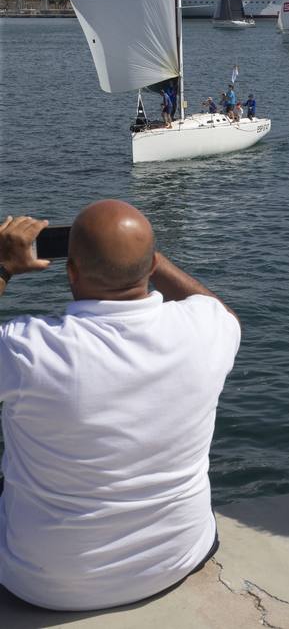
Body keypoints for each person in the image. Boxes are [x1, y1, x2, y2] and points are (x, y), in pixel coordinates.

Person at [0, 202, 240, 610]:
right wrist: (148, 258)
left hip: (43, 586)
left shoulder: (25, 349)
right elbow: (222, 313)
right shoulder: (207, 328)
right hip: (177, 560)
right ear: (150, 268)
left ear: (70, 271)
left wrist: (4, 267)